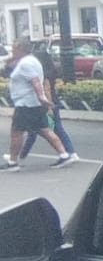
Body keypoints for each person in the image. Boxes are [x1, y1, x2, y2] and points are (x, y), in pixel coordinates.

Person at [3, 37, 74, 170]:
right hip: (33, 103)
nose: (12, 51)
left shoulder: (25, 63)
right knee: (44, 130)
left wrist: (41, 97)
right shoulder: (31, 60)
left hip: (26, 104)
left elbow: (35, 81)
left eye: (14, 49)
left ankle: (12, 162)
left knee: (17, 131)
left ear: (20, 49)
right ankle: (64, 155)